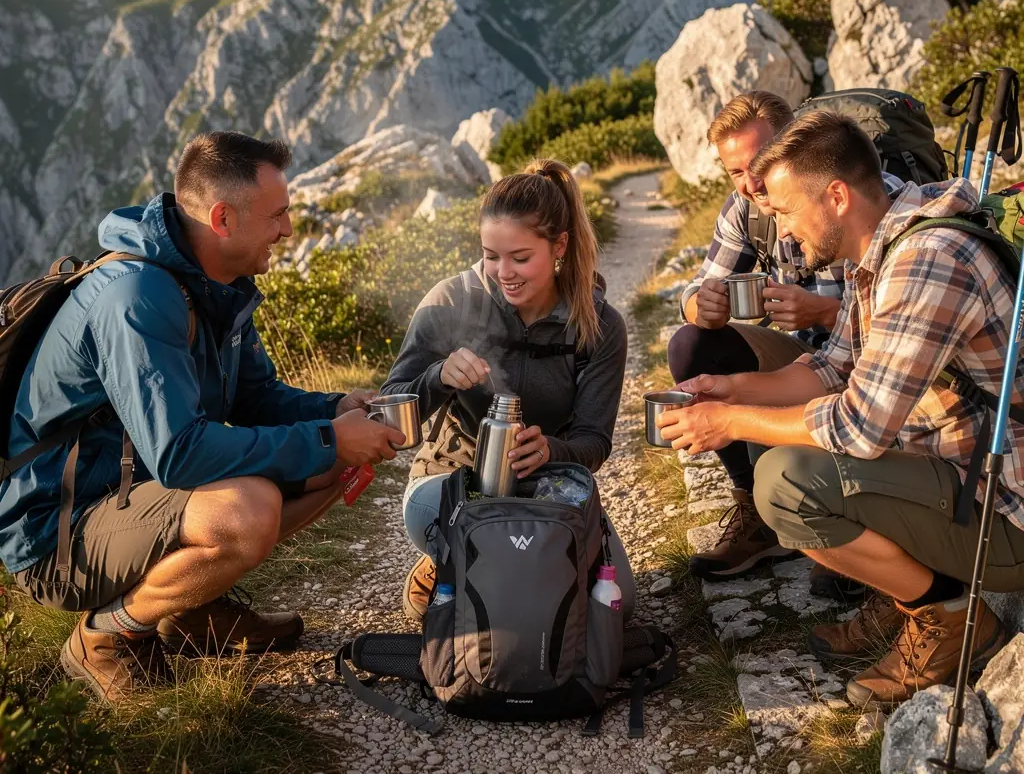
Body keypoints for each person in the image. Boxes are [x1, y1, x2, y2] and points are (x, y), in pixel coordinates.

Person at [0, 132, 403, 702]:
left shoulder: (217, 284)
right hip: (59, 537)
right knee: (247, 511)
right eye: (278, 214)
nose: (289, 229)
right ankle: (107, 636)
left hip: (133, 499)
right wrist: (327, 438)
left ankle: (189, 607)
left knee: (333, 462)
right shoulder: (136, 297)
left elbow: (256, 397)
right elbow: (180, 454)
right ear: (223, 218)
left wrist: (336, 411)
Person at [657, 110, 1024, 708]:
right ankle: (912, 596)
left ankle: (951, 616)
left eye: (785, 211)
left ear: (836, 196)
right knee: (788, 464)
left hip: (1005, 511)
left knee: (786, 484)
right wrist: (731, 389)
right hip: (958, 472)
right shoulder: (878, 248)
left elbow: (860, 426)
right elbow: (833, 368)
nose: (781, 229)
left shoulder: (927, 259)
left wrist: (728, 422)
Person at [669, 92, 900, 593]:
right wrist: (703, 309)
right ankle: (760, 511)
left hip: (877, 364)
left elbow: (892, 340)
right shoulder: (745, 211)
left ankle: (849, 516)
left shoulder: (870, 208)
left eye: (758, 164)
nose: (751, 184)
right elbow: (694, 292)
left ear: (791, 142)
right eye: (735, 172)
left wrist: (822, 311)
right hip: (822, 359)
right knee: (692, 344)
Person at [381, 159, 632, 619]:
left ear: (559, 246)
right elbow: (390, 411)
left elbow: (594, 442)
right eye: (490, 256)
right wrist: (437, 377)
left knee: (620, 603)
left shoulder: (598, 325)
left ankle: (466, 564)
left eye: (520, 258)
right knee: (531, 586)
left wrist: (552, 450)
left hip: (547, 485)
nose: (503, 272)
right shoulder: (452, 300)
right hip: (450, 483)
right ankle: (459, 557)